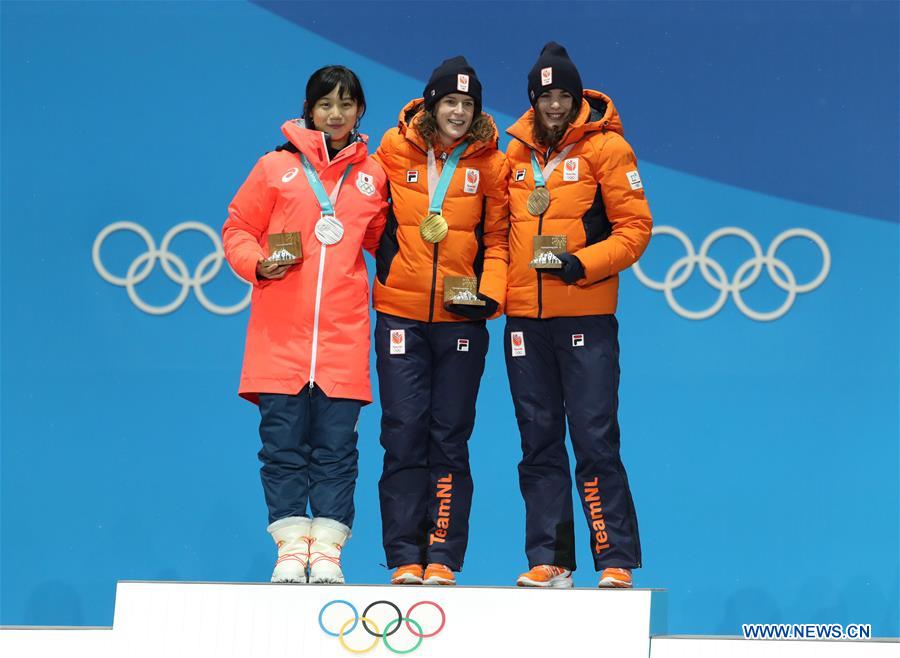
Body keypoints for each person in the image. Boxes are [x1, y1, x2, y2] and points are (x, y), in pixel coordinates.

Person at [222, 65, 388, 584]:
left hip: (342, 338)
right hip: (280, 338)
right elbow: (238, 227)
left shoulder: (373, 176)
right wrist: (255, 262)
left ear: (360, 110)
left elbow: (376, 240)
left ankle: (330, 552)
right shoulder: (275, 167)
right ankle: (292, 548)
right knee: (282, 448)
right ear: (309, 110)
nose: (335, 113)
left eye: (346, 103)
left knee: (338, 452)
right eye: (325, 104)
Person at [504, 42, 652, 588]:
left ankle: (613, 559)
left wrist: (580, 265)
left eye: (563, 94)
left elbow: (635, 230)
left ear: (577, 96)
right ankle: (551, 559)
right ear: (533, 98)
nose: (555, 105)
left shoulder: (608, 148)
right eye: (546, 95)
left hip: (585, 314)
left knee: (593, 437)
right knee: (537, 441)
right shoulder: (512, 152)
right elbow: (497, 234)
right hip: (524, 320)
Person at [373, 56, 509, 586]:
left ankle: (443, 554)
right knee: (403, 433)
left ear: (476, 111)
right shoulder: (391, 148)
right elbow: (360, 204)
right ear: (431, 103)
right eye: (449, 101)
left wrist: (488, 297)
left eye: (467, 103)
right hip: (400, 314)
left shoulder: (491, 165)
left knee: (449, 437)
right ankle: (404, 554)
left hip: (460, 321)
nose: (458, 110)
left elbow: (499, 242)